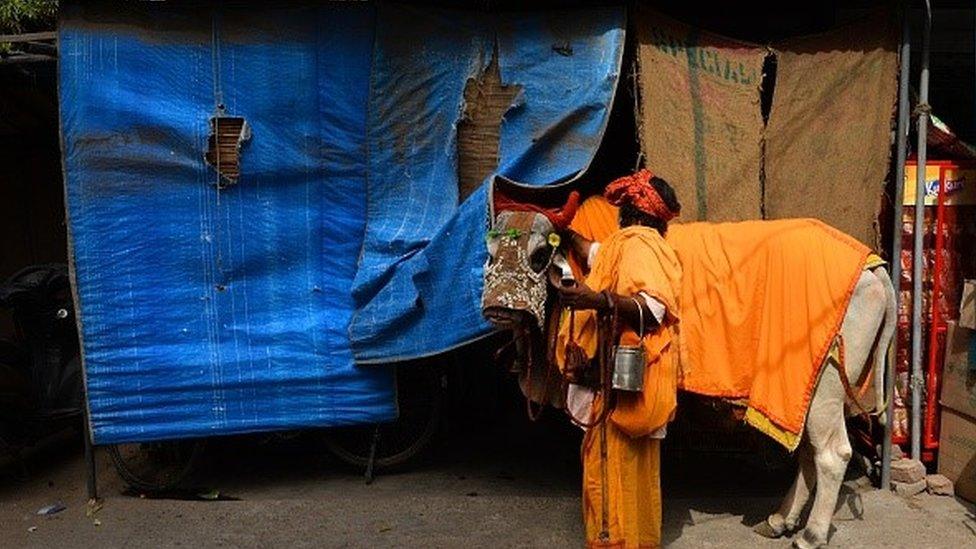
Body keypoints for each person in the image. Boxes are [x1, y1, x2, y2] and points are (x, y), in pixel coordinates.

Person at [554, 169, 681, 548]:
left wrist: (597, 299)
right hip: (607, 381)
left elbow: (651, 309)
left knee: (616, 474)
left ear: (629, 212)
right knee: (628, 475)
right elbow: (593, 253)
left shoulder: (639, 244)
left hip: (620, 382)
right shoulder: (620, 247)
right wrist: (565, 234)